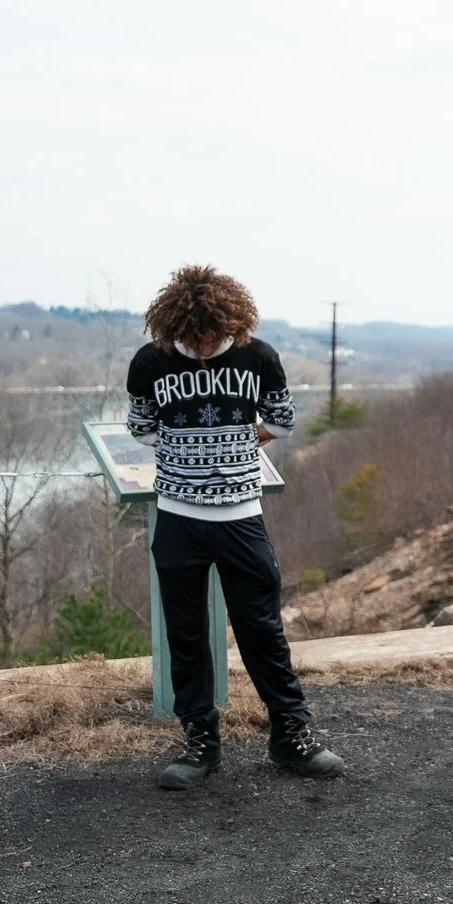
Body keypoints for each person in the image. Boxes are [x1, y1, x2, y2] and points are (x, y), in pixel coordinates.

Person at [125, 265, 343, 788]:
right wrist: (190, 452)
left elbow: (284, 421)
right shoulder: (150, 361)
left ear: (232, 325)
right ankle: (200, 740)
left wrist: (240, 445)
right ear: (172, 327)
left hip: (243, 515)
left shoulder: (259, 357)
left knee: (262, 629)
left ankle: (292, 736)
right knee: (187, 633)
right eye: (190, 337)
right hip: (178, 518)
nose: (200, 346)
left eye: (210, 336)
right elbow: (140, 428)